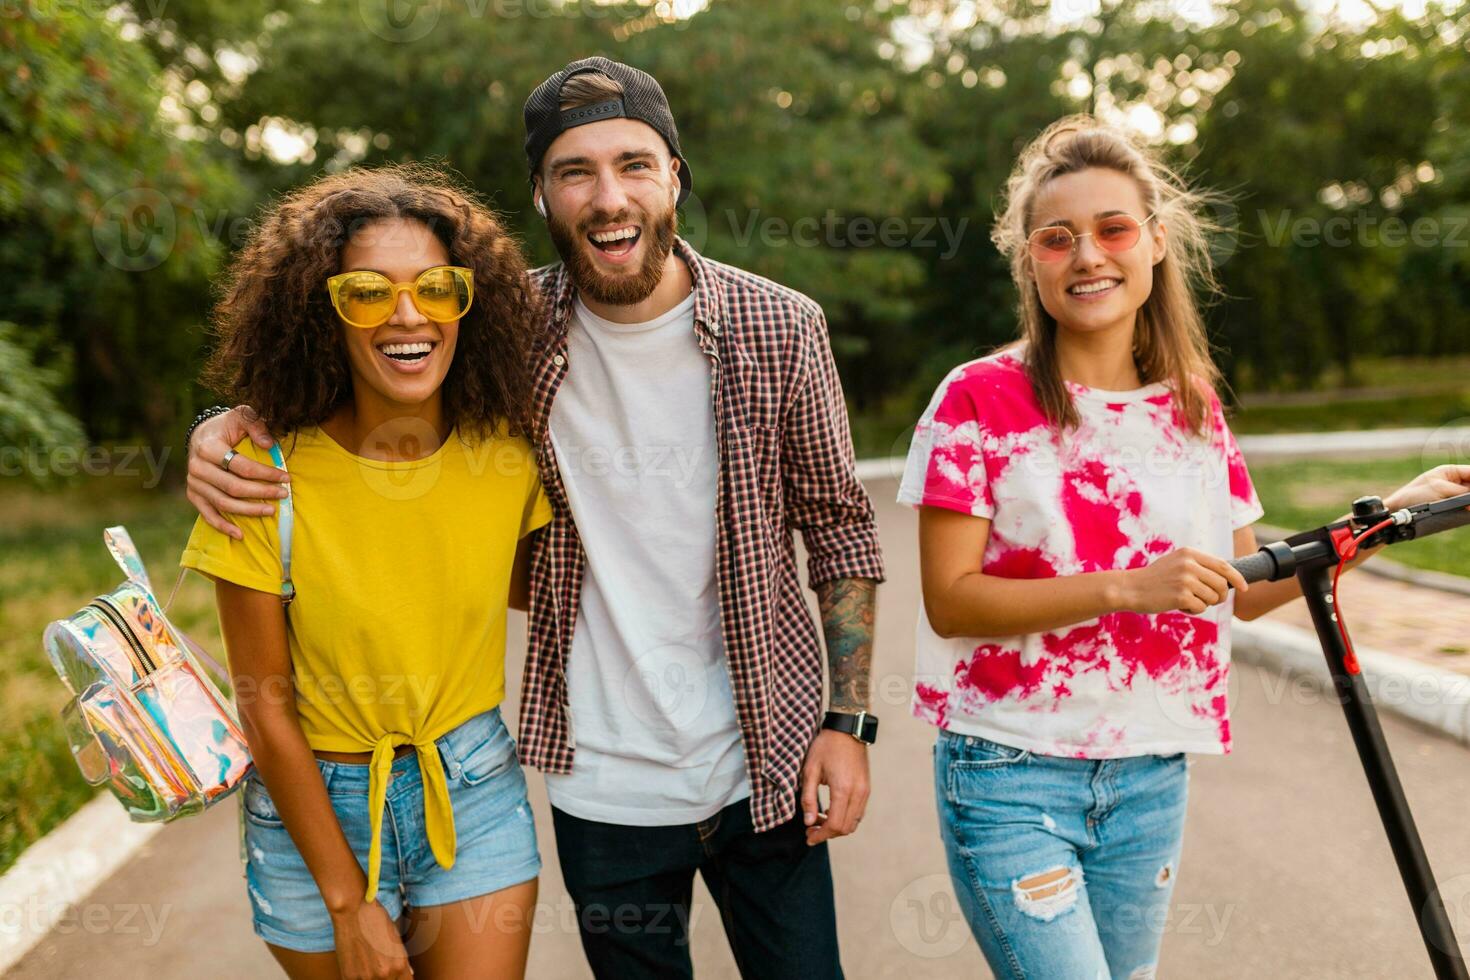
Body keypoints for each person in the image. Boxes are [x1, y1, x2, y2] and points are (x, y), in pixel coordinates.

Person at [183, 58, 885, 979]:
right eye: (574, 172)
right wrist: (225, 425)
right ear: (542, 197)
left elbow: (840, 526)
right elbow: (366, 358)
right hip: (603, 779)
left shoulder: (779, 327)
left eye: (634, 163)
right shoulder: (512, 332)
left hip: (769, 750)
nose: (608, 196)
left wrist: (850, 720)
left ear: (675, 173)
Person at [899, 114, 1470, 980]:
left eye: (1112, 229)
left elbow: (1243, 582)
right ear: (1030, 262)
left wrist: (1383, 516)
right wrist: (1127, 588)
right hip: (1009, 771)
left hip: (1149, 771)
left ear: (1155, 243)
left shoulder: (1191, 407)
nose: (1088, 255)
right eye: (1057, 239)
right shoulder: (979, 399)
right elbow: (951, 598)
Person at [179, 164, 550, 979]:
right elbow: (264, 708)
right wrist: (349, 903)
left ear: (468, 301)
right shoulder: (259, 472)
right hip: (314, 809)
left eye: (437, 288)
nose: (408, 316)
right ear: (324, 314)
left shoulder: (507, 453)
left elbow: (535, 586)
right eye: (368, 293)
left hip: (472, 788)